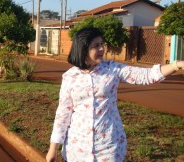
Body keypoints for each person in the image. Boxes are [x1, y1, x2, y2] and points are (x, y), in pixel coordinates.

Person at [46, 27, 184, 162]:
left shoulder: (112, 69)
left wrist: (177, 65)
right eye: (95, 46)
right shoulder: (70, 77)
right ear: (83, 49)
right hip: (77, 148)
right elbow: (63, 113)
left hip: (108, 146)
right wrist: (53, 148)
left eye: (102, 44)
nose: (101, 49)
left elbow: (146, 75)